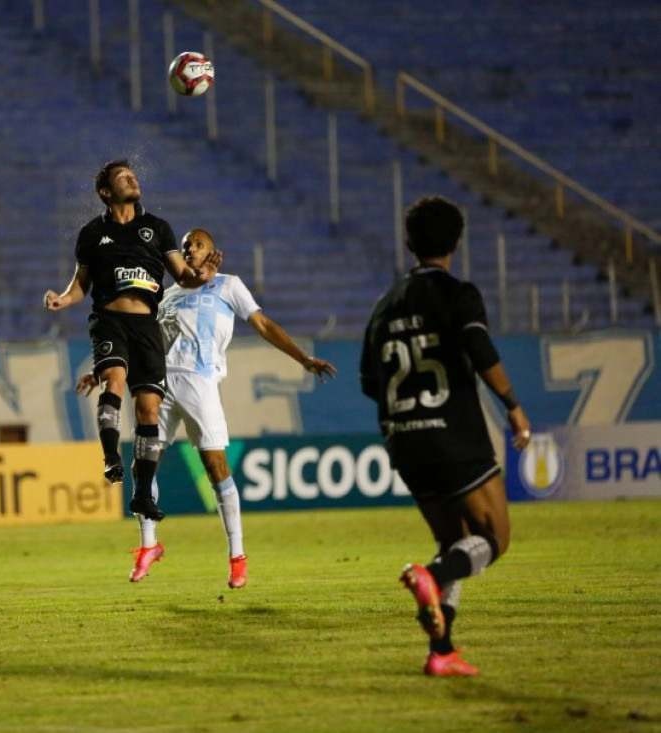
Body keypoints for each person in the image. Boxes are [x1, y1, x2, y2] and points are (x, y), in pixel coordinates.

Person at [78, 228, 337, 586]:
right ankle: (149, 546)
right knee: (144, 463)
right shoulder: (165, 297)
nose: (190, 249)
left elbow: (262, 324)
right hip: (161, 384)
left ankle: (237, 555)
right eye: (186, 246)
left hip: (200, 384)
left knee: (215, 466)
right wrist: (102, 370)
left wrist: (303, 358)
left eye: (198, 244)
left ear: (213, 251)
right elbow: (141, 343)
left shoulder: (229, 286)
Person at [359, 196, 531, 677]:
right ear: (457, 241)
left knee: (452, 542)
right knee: (493, 538)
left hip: (404, 441)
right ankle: (428, 578)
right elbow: (478, 348)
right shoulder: (459, 294)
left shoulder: (383, 305)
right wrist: (513, 407)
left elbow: (370, 383)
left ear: (409, 242)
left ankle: (442, 652)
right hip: (454, 436)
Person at [44, 159, 219, 524]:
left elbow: (183, 277)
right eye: (123, 177)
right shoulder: (92, 233)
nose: (132, 178)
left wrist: (202, 276)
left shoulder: (157, 228)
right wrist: (62, 298)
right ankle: (111, 457)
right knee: (114, 379)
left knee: (149, 410)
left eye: (133, 175)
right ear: (106, 192)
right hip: (109, 319)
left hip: (147, 327)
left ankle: (141, 494)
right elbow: (80, 286)